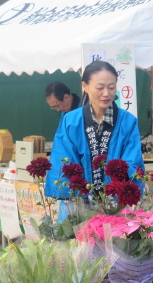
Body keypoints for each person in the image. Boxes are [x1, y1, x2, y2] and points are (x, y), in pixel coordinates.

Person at [46, 61, 144, 197]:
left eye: (111, 87)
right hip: (80, 205)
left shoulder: (128, 122)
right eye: (100, 88)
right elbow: (63, 163)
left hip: (118, 205)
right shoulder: (70, 121)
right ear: (85, 86)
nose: (106, 93)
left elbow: (133, 163)